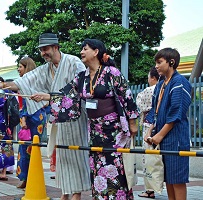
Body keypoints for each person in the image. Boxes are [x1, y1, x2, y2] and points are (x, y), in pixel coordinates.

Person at [31, 38, 139, 199]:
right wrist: (46, 97)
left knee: (114, 166)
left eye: (85, 48)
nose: (81, 51)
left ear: (96, 52)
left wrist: (132, 123)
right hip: (94, 130)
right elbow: (67, 95)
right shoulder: (82, 77)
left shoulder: (112, 73)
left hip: (113, 130)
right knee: (97, 168)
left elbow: (127, 97)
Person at [0, 33, 90, 200]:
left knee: (76, 155)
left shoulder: (73, 62)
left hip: (76, 116)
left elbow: (80, 88)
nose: (43, 53)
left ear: (56, 47)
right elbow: (26, 81)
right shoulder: (46, 69)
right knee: (62, 156)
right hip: (59, 119)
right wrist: (3, 85)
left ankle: (76, 193)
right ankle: (65, 192)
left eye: (46, 49)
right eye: (41, 50)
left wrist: (48, 97)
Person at [145, 48, 192, 200]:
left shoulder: (180, 82)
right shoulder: (161, 84)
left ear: (171, 62)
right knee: (169, 179)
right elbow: (154, 110)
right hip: (163, 136)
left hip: (176, 137)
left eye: (159, 62)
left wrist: (159, 135)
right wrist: (150, 131)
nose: (156, 66)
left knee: (177, 179)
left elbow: (176, 113)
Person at [14, 57, 47, 189]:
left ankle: (31, 177)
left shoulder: (36, 83)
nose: (18, 69)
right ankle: (25, 178)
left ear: (26, 68)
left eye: (20, 67)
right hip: (28, 118)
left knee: (32, 149)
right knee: (25, 149)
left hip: (35, 119)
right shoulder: (21, 85)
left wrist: (23, 118)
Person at [136, 66, 162, 198]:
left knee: (149, 158)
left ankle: (150, 190)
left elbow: (140, 105)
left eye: (148, 78)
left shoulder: (149, 90)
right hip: (162, 127)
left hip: (149, 127)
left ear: (153, 78)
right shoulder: (165, 88)